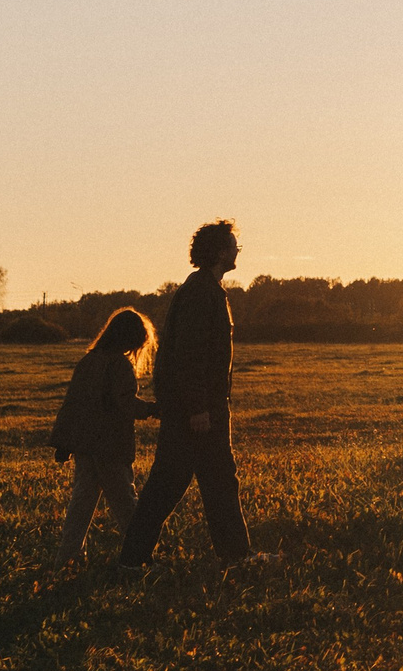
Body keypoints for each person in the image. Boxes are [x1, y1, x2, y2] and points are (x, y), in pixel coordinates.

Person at [117, 220, 260, 569]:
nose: (237, 250)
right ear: (220, 251)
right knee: (182, 483)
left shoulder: (205, 289)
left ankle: (232, 555)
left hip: (197, 408)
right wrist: (198, 408)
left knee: (208, 480)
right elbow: (190, 355)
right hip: (196, 411)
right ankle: (234, 556)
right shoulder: (200, 293)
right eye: (233, 245)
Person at [45, 307, 159, 567]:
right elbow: (125, 404)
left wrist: (64, 442)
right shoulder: (119, 364)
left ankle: (68, 558)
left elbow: (72, 403)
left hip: (85, 445)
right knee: (126, 504)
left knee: (81, 503)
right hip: (110, 446)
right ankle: (139, 556)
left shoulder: (89, 360)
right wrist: (153, 409)